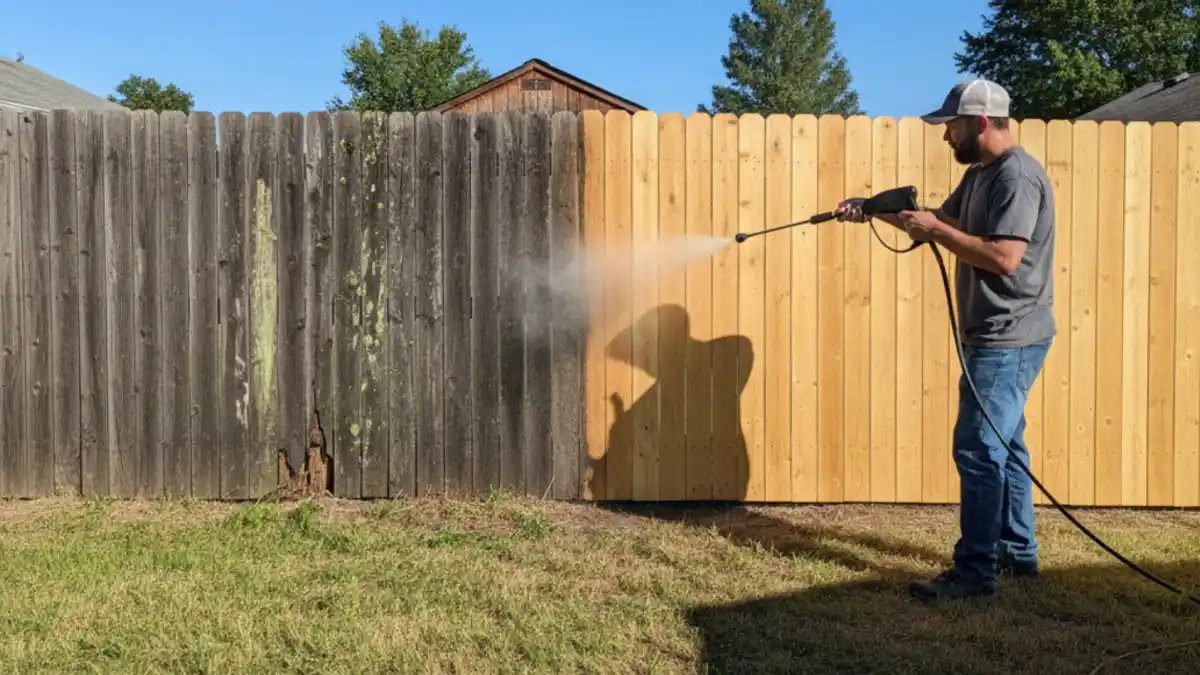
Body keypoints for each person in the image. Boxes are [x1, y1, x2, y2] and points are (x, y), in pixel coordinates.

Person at [835, 78, 1056, 601]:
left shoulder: (1017, 177)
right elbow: (943, 222)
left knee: (979, 450)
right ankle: (1017, 553)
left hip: (1009, 336)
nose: (945, 136)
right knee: (1006, 445)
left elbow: (1004, 256)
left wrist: (933, 230)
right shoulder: (982, 175)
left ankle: (976, 572)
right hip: (996, 333)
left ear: (981, 123)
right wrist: (871, 208)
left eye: (951, 126)